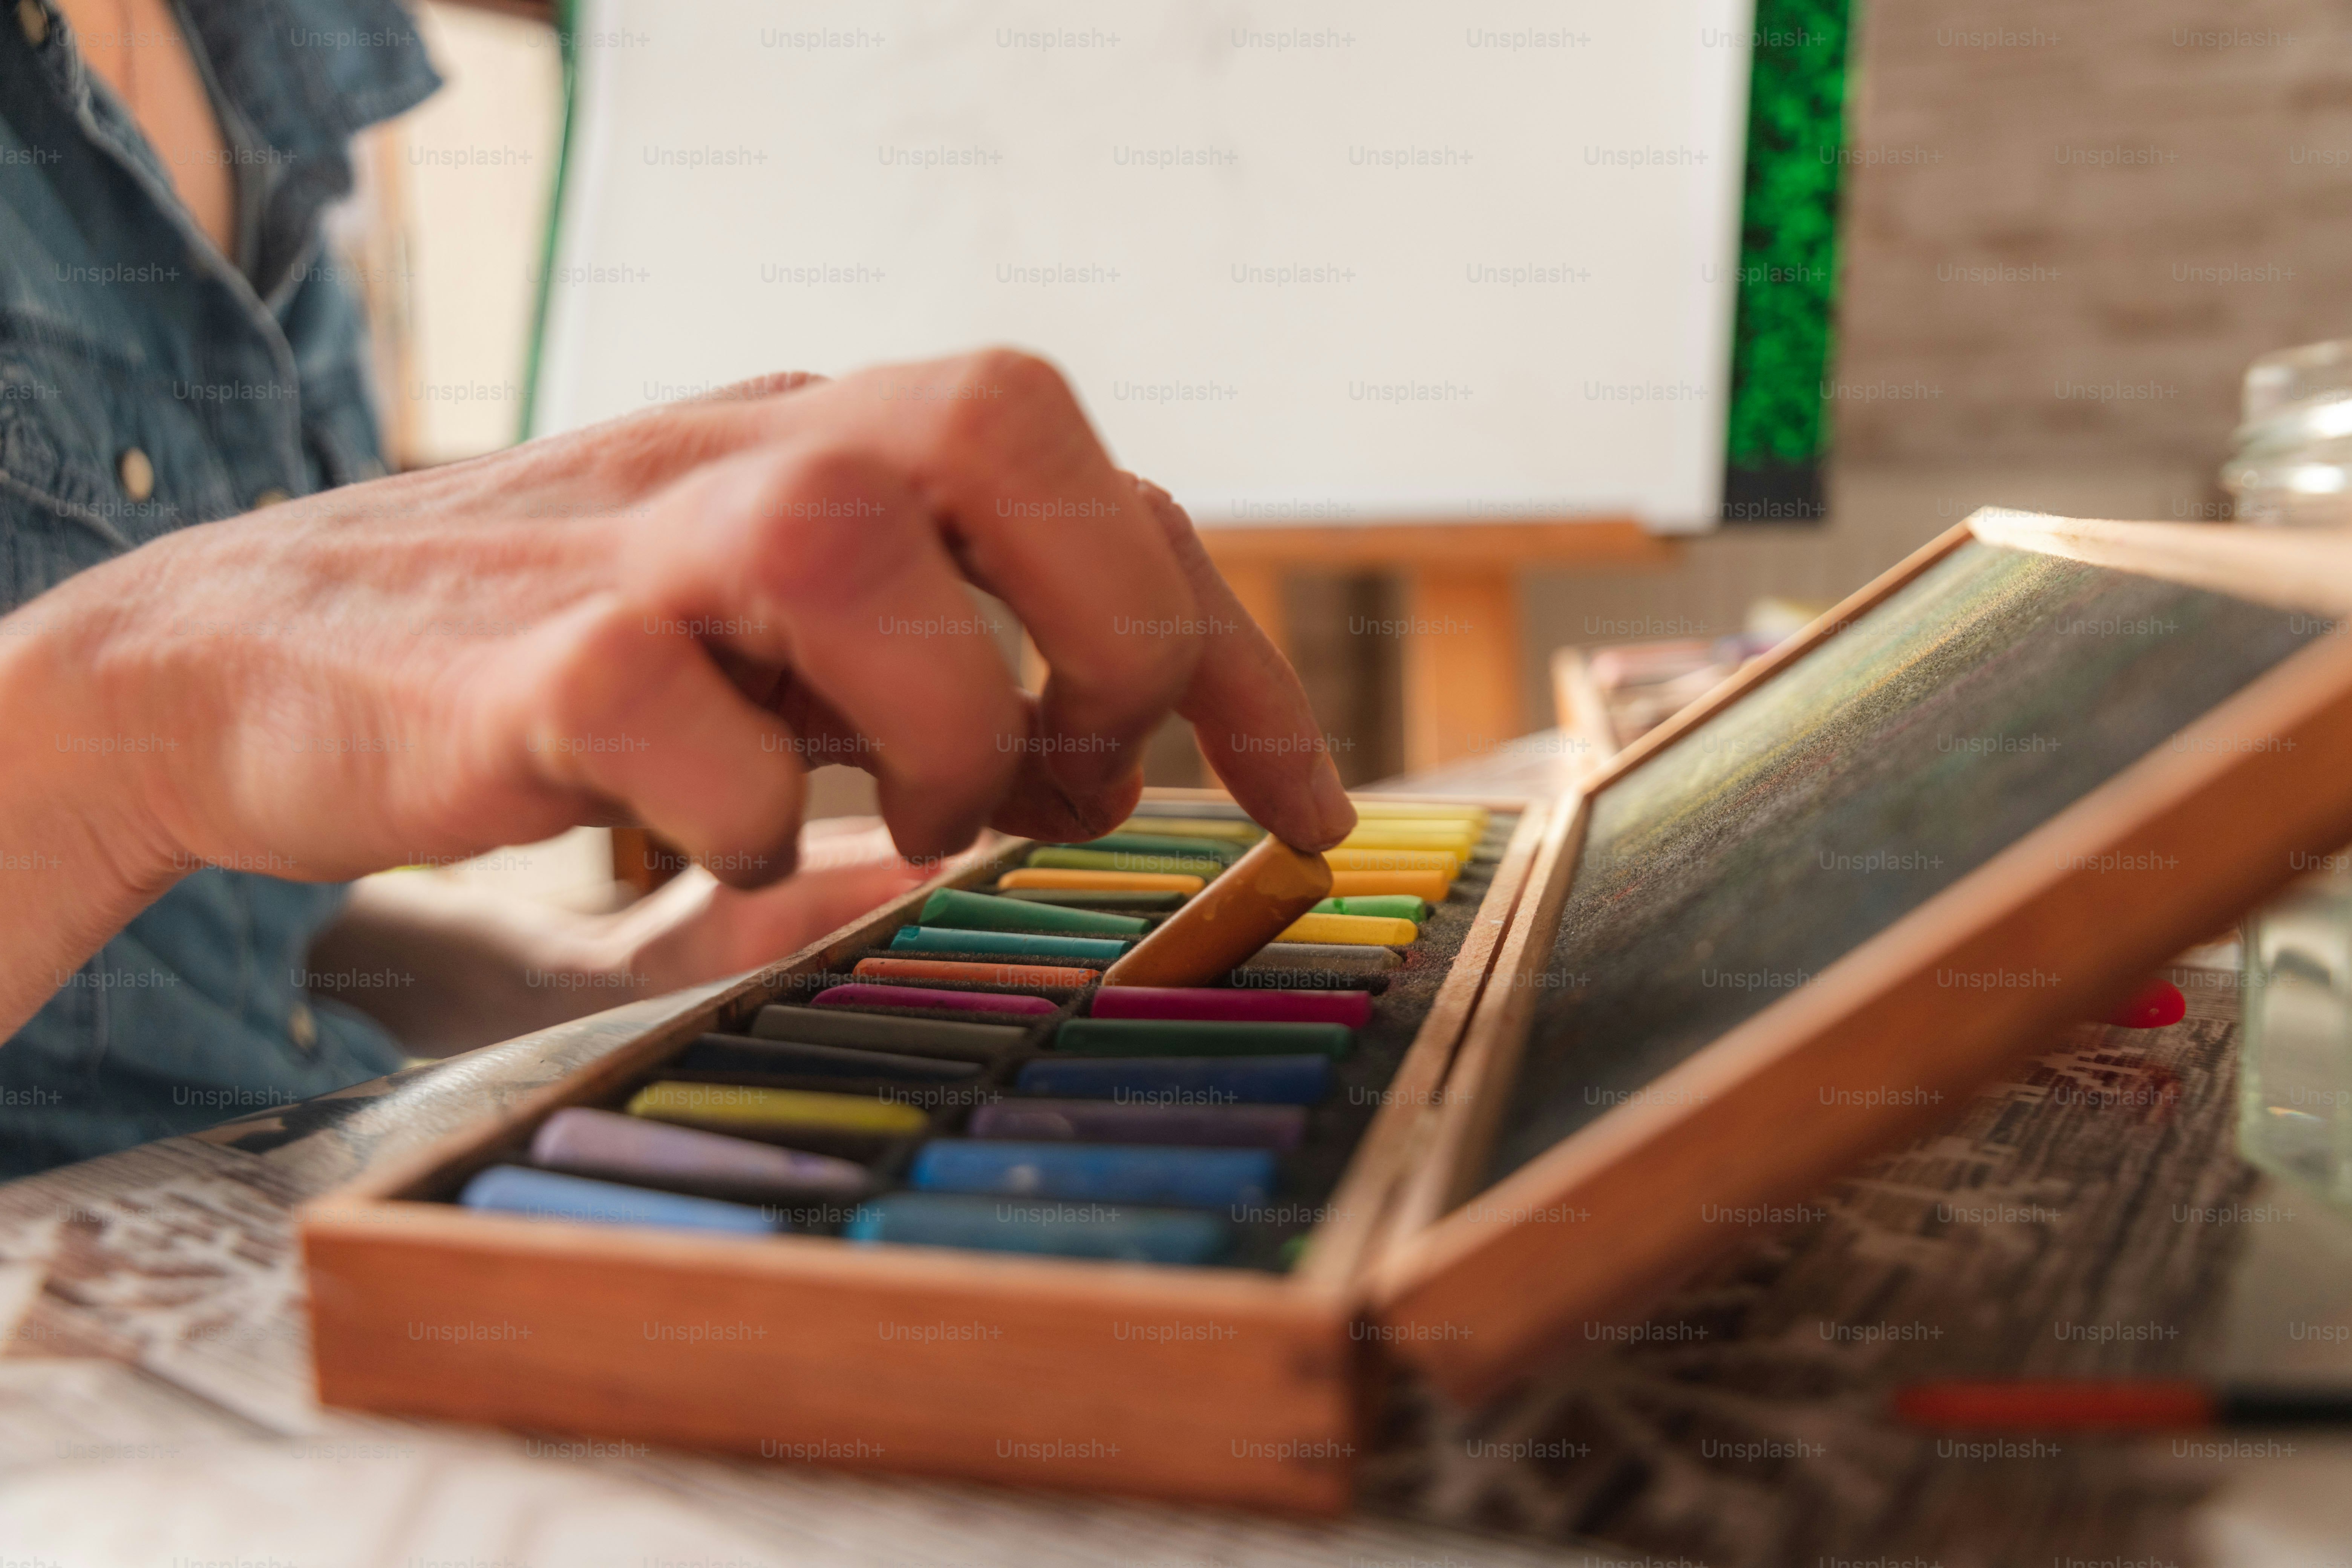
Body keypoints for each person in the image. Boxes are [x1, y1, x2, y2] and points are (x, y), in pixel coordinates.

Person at [0, 0, 1351, 1178]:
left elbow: (216, 931)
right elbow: (135, 779)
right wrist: (147, 712)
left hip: (312, 1211)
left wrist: (588, 984)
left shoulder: (268, 47)